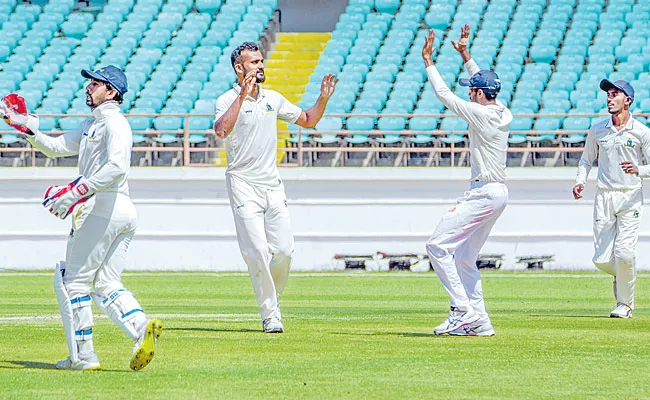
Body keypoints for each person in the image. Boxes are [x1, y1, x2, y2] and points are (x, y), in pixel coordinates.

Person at [0, 66, 162, 370]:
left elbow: (116, 168)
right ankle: (142, 328)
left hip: (103, 207)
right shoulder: (93, 124)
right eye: (89, 83)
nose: (89, 87)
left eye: (96, 84)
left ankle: (83, 357)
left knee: (71, 281)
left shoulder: (115, 124)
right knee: (106, 282)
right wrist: (26, 127)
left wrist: (77, 190)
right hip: (120, 210)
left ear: (112, 92)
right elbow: (57, 148)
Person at [213, 42, 337, 333]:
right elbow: (221, 130)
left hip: (272, 184)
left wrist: (323, 98)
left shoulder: (273, 98)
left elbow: (308, 120)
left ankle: (273, 300)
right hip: (242, 184)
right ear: (238, 68)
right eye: (253, 62)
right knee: (256, 250)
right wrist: (242, 95)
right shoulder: (225, 99)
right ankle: (270, 314)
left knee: (284, 251)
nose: (260, 66)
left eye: (260, 61)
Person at [422, 25, 511, 336]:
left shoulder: (480, 114)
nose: (467, 93)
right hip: (495, 192)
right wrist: (465, 55)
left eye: (470, 90)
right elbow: (482, 82)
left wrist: (428, 62)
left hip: (484, 192)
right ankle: (480, 320)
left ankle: (462, 310)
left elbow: (444, 95)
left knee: (436, 246)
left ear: (476, 94)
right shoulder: (500, 109)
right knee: (464, 258)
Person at [573, 79, 650, 318]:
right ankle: (623, 273)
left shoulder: (641, 132)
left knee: (625, 253)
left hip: (630, 198)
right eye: (608, 94)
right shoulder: (598, 129)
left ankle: (625, 305)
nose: (609, 98)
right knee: (602, 259)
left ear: (627, 100)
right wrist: (580, 180)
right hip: (604, 197)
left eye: (615, 94)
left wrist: (639, 169)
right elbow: (586, 160)